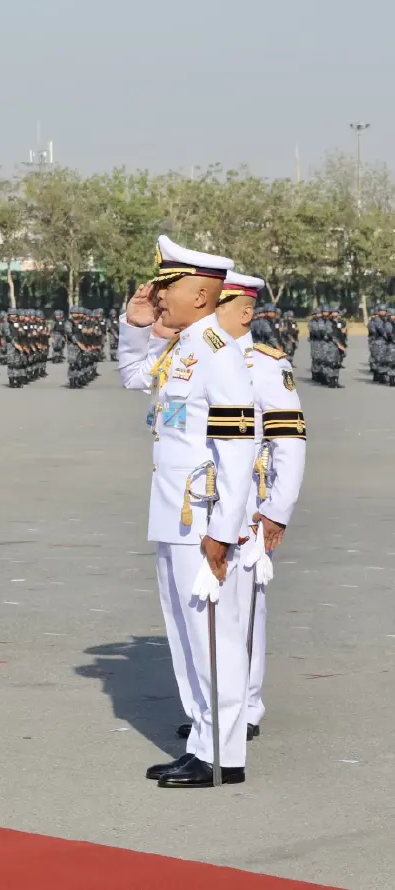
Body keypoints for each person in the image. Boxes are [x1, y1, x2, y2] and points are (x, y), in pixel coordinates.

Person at [118, 236, 256, 788]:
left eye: (167, 286)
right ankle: (203, 741)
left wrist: (222, 533)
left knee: (211, 636)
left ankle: (223, 757)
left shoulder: (219, 353)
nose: (158, 294)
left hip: (202, 520)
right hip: (175, 514)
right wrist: (135, 326)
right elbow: (134, 377)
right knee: (184, 633)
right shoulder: (185, 349)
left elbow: (240, 450)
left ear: (198, 294)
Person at [197, 270, 305, 742]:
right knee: (206, 609)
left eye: (215, 303)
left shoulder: (263, 366)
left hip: (249, 508)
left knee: (243, 610)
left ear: (244, 311)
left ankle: (247, 706)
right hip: (202, 502)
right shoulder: (198, 356)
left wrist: (278, 510)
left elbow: (289, 443)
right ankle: (217, 708)